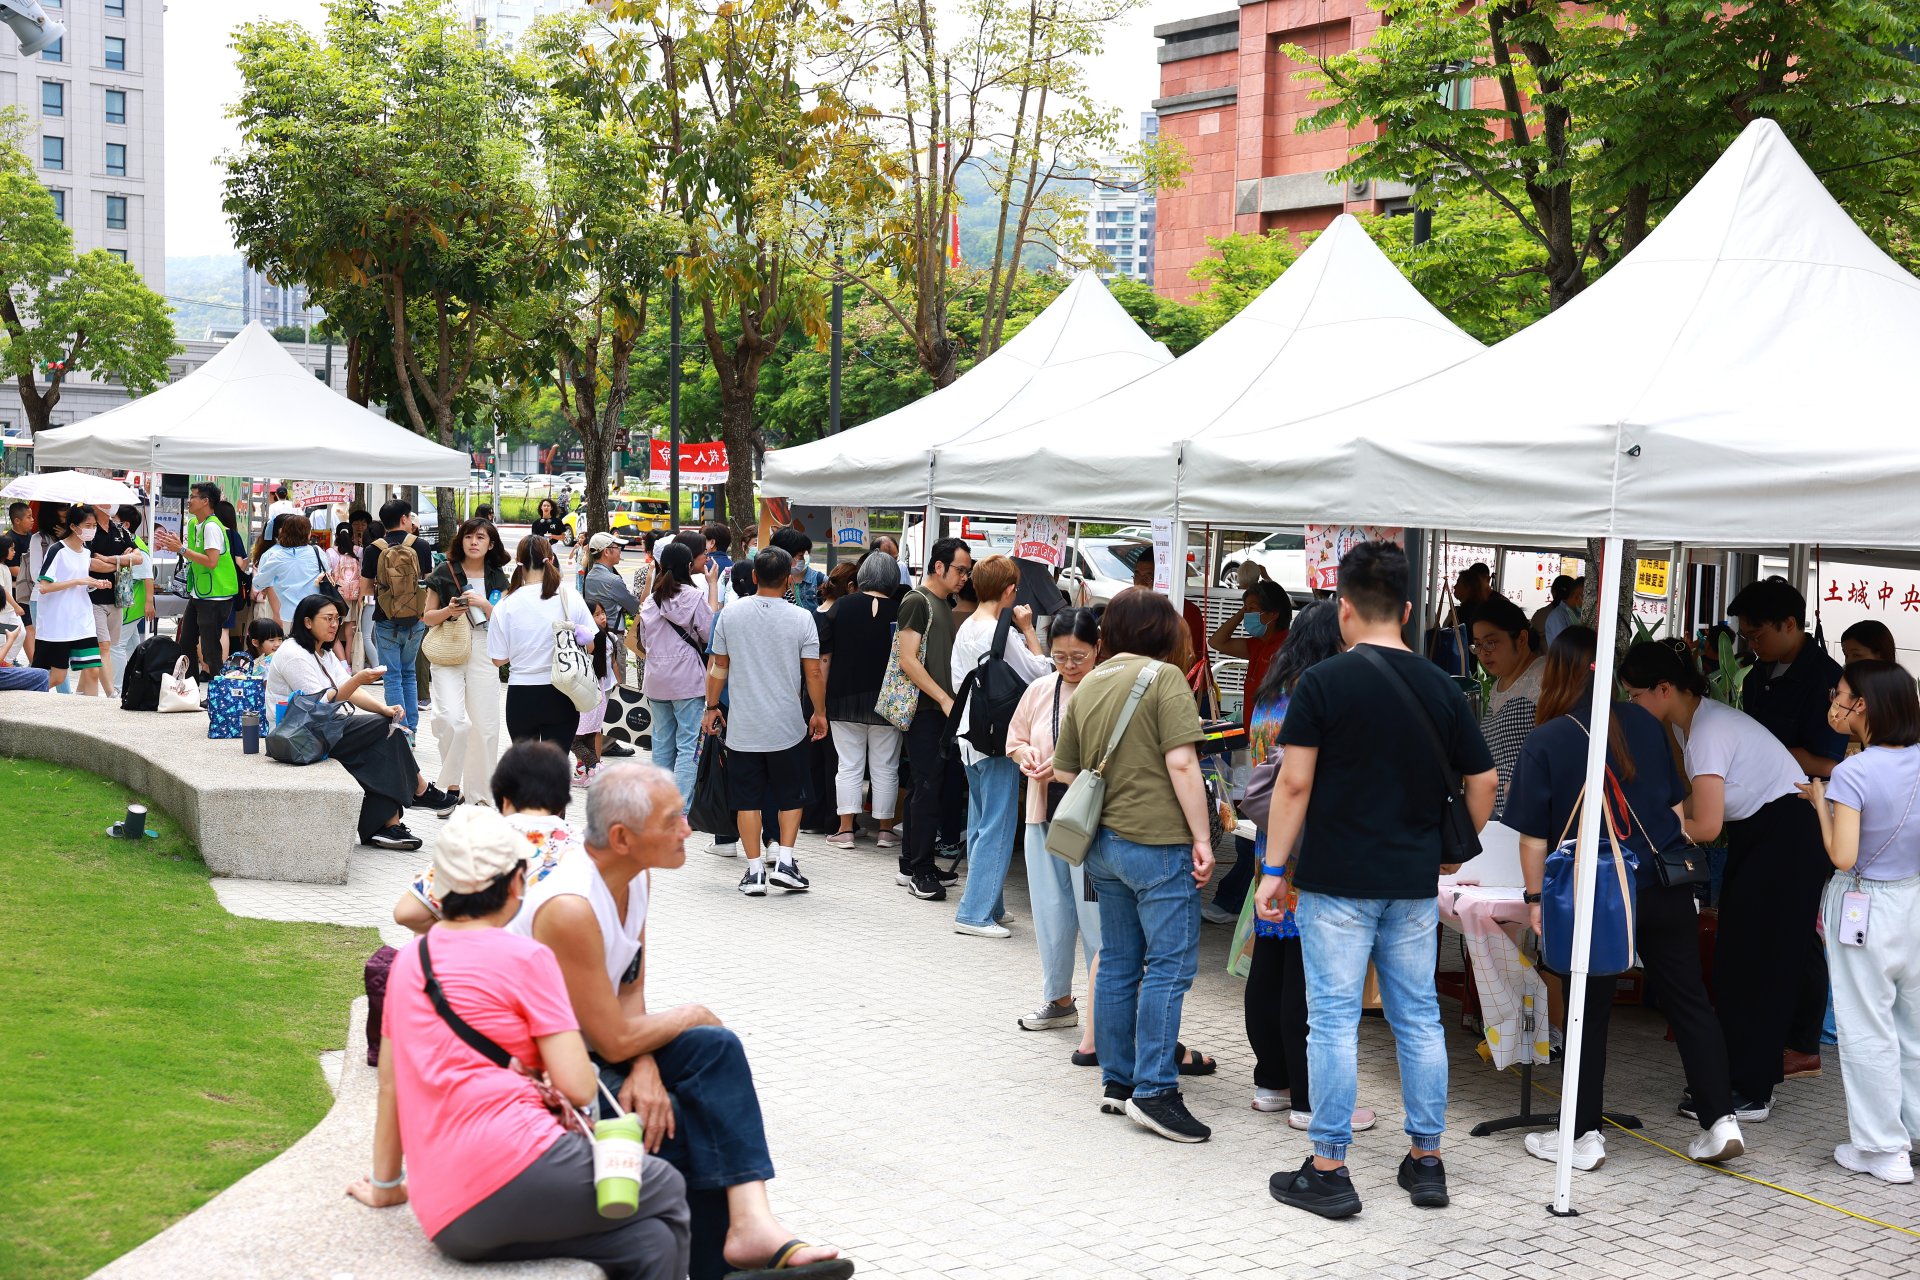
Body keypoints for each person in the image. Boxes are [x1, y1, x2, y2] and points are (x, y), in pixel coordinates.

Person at [508, 764, 857, 1280]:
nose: (688, 829)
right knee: (682, 1115)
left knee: (716, 1047)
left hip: (598, 1046)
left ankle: (752, 1224)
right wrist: (687, 1015)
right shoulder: (570, 906)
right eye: (672, 819)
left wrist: (646, 1064)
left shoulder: (634, 876)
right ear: (622, 838)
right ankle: (720, 1265)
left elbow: (629, 994)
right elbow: (610, 1037)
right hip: (546, 1070)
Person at [1259, 540, 1497, 1219]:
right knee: (1417, 1017)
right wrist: (1452, 852)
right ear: (1410, 609)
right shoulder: (1443, 687)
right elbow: (1483, 780)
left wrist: (1273, 870)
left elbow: (1294, 784)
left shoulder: (1322, 683)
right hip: (1412, 882)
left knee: (1333, 1021)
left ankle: (1329, 1168)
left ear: (1344, 608)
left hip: (1335, 878)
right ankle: (1427, 1160)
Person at [353, 805, 692, 1279]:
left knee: (649, 1243)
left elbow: (390, 1086)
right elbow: (578, 1087)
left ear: (441, 887)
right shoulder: (528, 957)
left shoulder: (411, 961)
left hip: (451, 1219)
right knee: (665, 1182)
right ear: (517, 882)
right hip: (523, 1165)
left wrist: (387, 1183)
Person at [1507, 627, 1746, 1171]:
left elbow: (1532, 840)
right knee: (1688, 999)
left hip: (1597, 892)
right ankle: (1720, 1121)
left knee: (1588, 1009)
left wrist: (1536, 899)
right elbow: (1676, 813)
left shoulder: (1548, 739)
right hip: (1663, 882)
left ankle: (1582, 1135)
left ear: (1556, 674)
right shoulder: (1643, 721)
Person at [1617, 639, 1824, 1122]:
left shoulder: (1708, 731)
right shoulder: (1691, 723)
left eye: (1635, 694)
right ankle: (1734, 1077)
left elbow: (1705, 826)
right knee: (1737, 959)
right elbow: (1693, 808)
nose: (1631, 704)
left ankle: (1751, 1089)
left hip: (1786, 838)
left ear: (1664, 689)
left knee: (1760, 962)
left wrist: (1649, 828)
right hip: (1765, 836)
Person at [1049, 587, 1216, 1144]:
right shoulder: (1164, 678)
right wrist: (1202, 838)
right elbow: (1182, 763)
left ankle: (1119, 1083)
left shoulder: (1090, 682)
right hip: (1158, 844)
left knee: (1119, 961)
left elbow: (1066, 772)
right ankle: (1156, 1090)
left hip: (1102, 845)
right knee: (1169, 967)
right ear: (1160, 630)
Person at [1237, 602, 1380, 1135]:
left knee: (1271, 960)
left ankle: (1271, 1082)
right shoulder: (1320, 694)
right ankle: (1310, 1098)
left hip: (1271, 847)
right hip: (1313, 847)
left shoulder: (1270, 695)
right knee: (1307, 974)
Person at [1801, 661, 1920, 1184]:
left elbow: (1843, 856)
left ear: (1863, 704)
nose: (1836, 700)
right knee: (1912, 1026)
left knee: (1867, 1028)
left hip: (1864, 904)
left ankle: (1883, 1148)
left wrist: (1820, 803)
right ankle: (1913, 1130)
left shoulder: (1853, 773)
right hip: (1912, 900)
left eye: (1841, 692)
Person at [264, 595, 457, 850]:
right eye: (328, 619)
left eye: (337, 619)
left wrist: (384, 709)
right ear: (307, 622)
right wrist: (359, 680)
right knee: (381, 730)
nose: (335, 625)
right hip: (298, 737)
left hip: (319, 729)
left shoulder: (323, 651)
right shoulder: (293, 654)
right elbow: (321, 704)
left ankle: (388, 827)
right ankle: (419, 790)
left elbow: (348, 689)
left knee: (384, 735)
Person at [1006, 606, 1103, 1060]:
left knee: (1097, 918)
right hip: (1043, 817)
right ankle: (1059, 999)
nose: (1069, 665)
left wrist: (1065, 769)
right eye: (1060, 657)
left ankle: (1105, 1013)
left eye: (1078, 657)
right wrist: (1025, 755)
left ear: (1097, 648)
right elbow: (1015, 739)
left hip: (1093, 824)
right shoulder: (1041, 688)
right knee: (1050, 911)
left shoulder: (1107, 691)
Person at [702, 546, 825, 897]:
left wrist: (711, 707)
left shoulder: (730, 614)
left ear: (755, 576)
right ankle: (784, 862)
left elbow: (719, 667)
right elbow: (813, 672)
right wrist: (819, 712)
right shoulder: (802, 618)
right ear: (788, 579)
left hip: (744, 726)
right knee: (791, 796)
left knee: (747, 799)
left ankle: (755, 872)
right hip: (787, 725)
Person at [949, 554, 1051, 938]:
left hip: (969, 733)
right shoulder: (1001, 632)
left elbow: (958, 680)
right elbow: (1040, 673)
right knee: (998, 825)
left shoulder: (967, 626)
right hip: (996, 737)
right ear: (1010, 590)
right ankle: (974, 913)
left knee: (980, 823)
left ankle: (990, 903)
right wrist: (1029, 629)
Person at [395, 741, 584, 933]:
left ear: (503, 799)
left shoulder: (475, 834)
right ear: (562, 803)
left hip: (481, 947)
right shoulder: (585, 847)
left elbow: (407, 913)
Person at [894, 537, 973, 902]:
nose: (964, 577)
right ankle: (920, 870)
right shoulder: (917, 600)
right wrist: (942, 698)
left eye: (967, 571)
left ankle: (911, 863)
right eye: (960, 570)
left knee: (924, 787)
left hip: (938, 709)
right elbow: (907, 659)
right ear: (938, 566)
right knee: (927, 789)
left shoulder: (942, 603)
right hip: (925, 710)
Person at [423, 518, 510, 807]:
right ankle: (450, 785)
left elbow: (505, 619)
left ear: (491, 544)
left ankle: (480, 796)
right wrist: (449, 611)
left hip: (484, 648)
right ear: (460, 540)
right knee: (451, 719)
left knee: (485, 726)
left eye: (481, 537)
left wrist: (485, 605)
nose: (474, 542)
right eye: (469, 536)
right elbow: (427, 617)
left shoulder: (497, 576)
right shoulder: (444, 571)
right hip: (449, 646)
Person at [821, 552, 903, 850]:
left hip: (843, 698)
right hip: (888, 700)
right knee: (886, 766)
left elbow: (825, 658)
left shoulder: (841, 606)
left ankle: (845, 831)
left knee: (848, 764)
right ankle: (885, 831)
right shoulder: (901, 609)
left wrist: (819, 703)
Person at [488, 535, 596, 748]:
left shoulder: (505, 605)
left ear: (518, 561)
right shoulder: (569, 596)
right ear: (551, 559)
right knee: (555, 763)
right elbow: (590, 646)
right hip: (563, 691)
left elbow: (498, 660)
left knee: (525, 764)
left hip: (521, 694)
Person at [639, 541, 716, 810]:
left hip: (656, 680)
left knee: (661, 744)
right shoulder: (694, 597)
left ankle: (659, 808)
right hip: (687, 681)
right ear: (688, 566)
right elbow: (709, 635)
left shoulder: (651, 601)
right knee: (688, 745)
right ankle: (680, 810)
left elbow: (643, 640)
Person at [361, 500, 436, 735]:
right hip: (415, 620)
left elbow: (365, 589)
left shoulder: (373, 549)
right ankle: (411, 730)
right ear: (404, 519)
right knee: (409, 674)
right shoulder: (421, 545)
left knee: (392, 676)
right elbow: (430, 585)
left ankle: (399, 730)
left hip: (385, 619)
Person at [154, 482, 239, 682]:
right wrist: (178, 546)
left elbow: (211, 561)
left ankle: (218, 689)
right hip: (199, 592)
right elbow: (195, 555)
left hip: (216, 595)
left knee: (210, 648)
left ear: (205, 501)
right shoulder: (194, 524)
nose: (189, 501)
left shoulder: (212, 527)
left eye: (193, 497)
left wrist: (181, 549)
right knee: (186, 642)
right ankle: (190, 685)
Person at [1471, 594, 1544, 816]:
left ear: (1521, 639)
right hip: (1500, 813)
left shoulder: (1544, 676)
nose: (1484, 652)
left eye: (1491, 642)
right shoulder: (1498, 685)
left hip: (1531, 812)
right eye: (1478, 645)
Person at [31, 505, 114, 693]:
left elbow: (81, 582)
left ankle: (89, 712)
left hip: (82, 621)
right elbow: (44, 587)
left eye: (94, 526)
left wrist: (94, 583)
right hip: (58, 624)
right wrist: (78, 581)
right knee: (57, 677)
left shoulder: (86, 552)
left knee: (92, 670)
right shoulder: (57, 550)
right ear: (73, 526)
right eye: (88, 525)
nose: (92, 530)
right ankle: (24, 697)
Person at [83, 501, 141, 697]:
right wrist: (122, 561)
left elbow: (138, 557)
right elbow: (91, 563)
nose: (112, 504)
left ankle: (82, 690)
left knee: (109, 645)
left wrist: (109, 560)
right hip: (92, 596)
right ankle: (111, 692)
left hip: (116, 598)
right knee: (104, 645)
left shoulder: (120, 530)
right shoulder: (89, 530)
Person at [1210, 580, 1293, 704]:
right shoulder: (1256, 644)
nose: (1247, 614)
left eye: (1252, 608)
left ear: (1273, 614)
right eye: (1245, 609)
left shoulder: (1288, 648)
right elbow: (1216, 642)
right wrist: (1242, 612)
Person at [582, 531, 642, 698]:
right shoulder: (613, 580)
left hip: (597, 636)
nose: (620, 551)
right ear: (606, 552)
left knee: (600, 684)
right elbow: (634, 606)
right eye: (617, 548)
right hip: (614, 637)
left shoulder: (590, 576)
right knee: (617, 686)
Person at [571, 602, 621, 783]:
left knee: (574, 739)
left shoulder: (594, 638)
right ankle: (589, 771)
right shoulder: (605, 637)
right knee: (591, 735)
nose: (602, 617)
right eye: (597, 614)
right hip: (598, 694)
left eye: (603, 613)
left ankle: (593, 766)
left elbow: (613, 662)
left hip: (588, 697)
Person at [250, 513, 326, 630]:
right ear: (308, 534)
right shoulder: (317, 552)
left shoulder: (277, 555)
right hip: (314, 613)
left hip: (286, 615)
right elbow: (328, 573)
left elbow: (258, 583)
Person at [108, 505, 154, 687]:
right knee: (133, 646)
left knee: (117, 645)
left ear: (125, 525)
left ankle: (117, 688)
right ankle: (141, 683)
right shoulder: (127, 542)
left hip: (131, 603)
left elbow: (148, 576)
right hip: (130, 602)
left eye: (114, 520)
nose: (111, 522)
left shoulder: (138, 548)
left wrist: (149, 602)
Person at [769, 528, 827, 612]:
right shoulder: (770, 581)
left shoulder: (820, 581)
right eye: (801, 556)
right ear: (786, 555)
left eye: (804, 555)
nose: (803, 559)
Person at [1537, 576, 1584, 648]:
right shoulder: (1557, 616)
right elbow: (1565, 647)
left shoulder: (1577, 613)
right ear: (1576, 596)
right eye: (1584, 597)